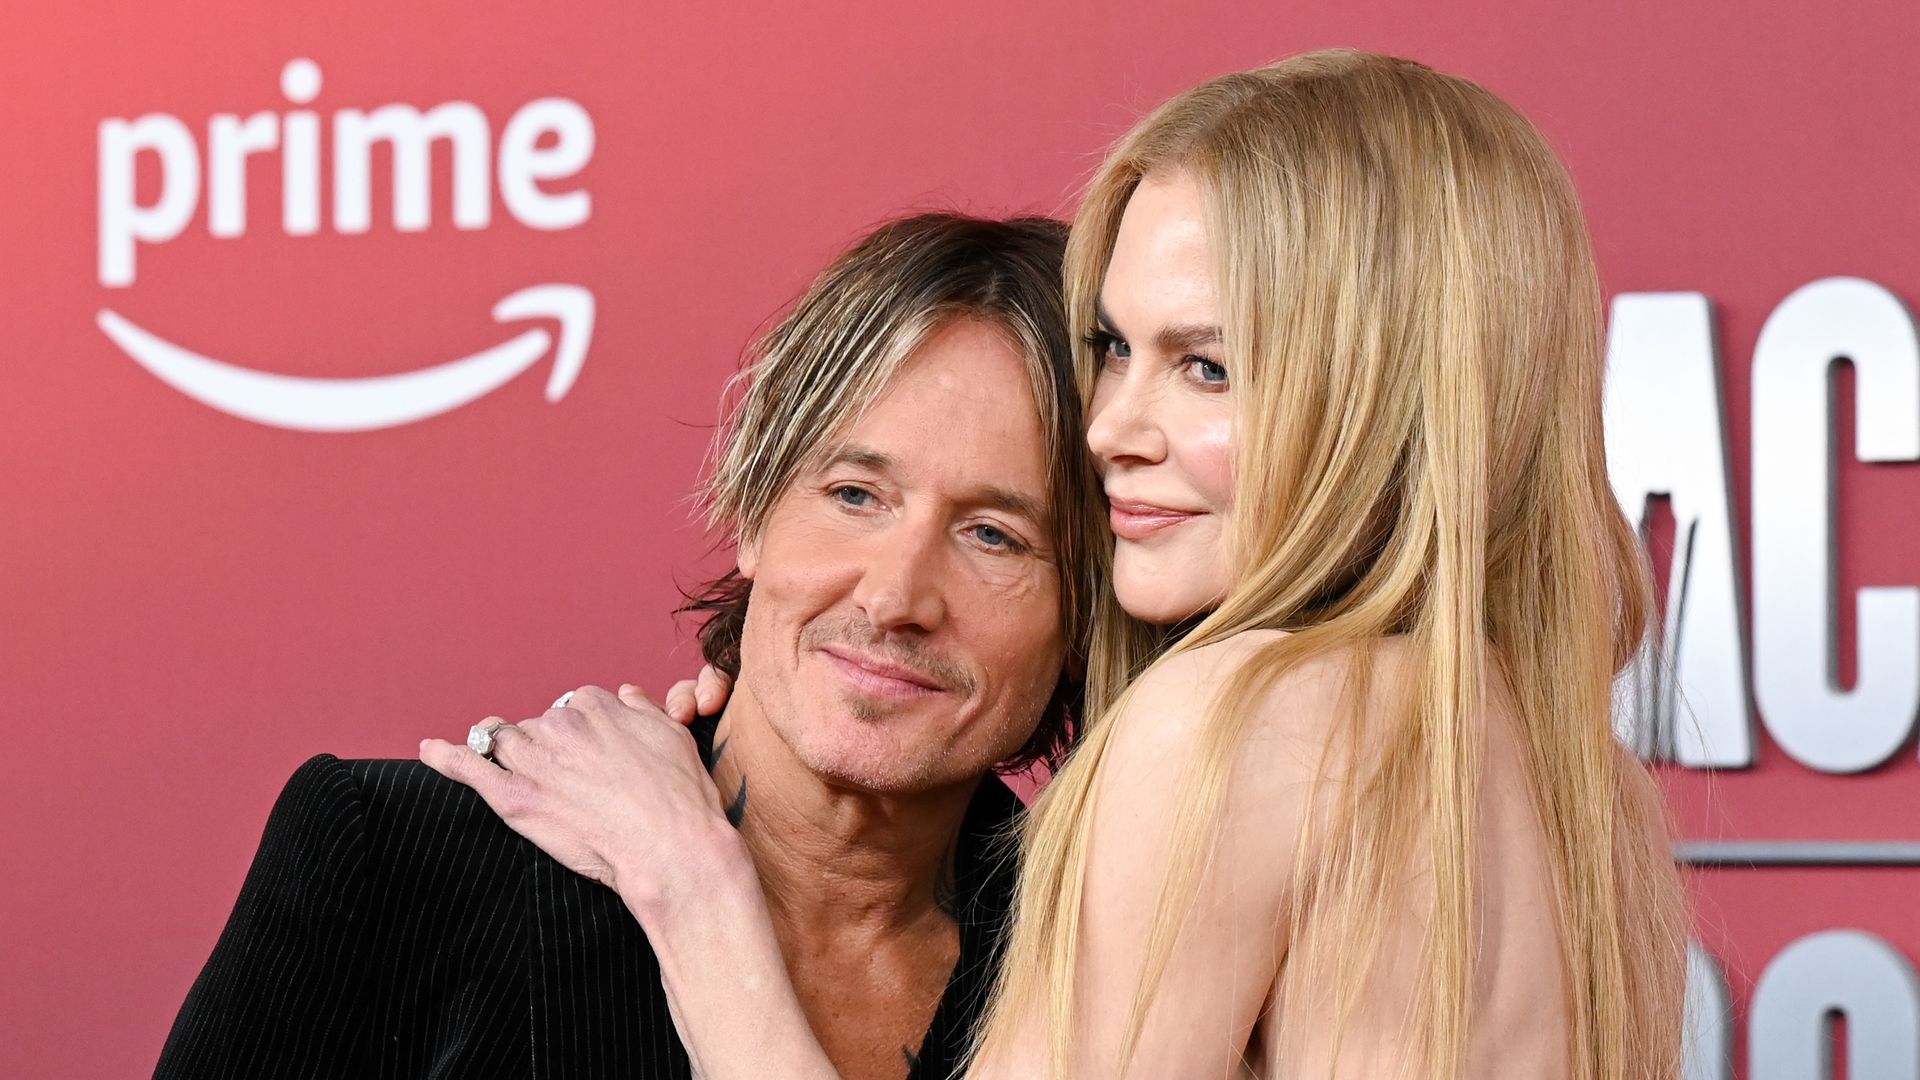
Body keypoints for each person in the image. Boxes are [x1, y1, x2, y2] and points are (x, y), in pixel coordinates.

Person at [435, 49, 1691, 1080]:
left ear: (1385, 398)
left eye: (1206, 366)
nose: (1112, 430)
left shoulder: (1239, 724)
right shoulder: (1550, 767)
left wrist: (693, 889)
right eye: (1114, 348)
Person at [153, 212, 1108, 1080]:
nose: (897, 597)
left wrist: (695, 888)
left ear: (1091, 615)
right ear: (754, 511)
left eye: (995, 536)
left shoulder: (1112, 959)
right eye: (855, 495)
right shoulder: (397, 857)